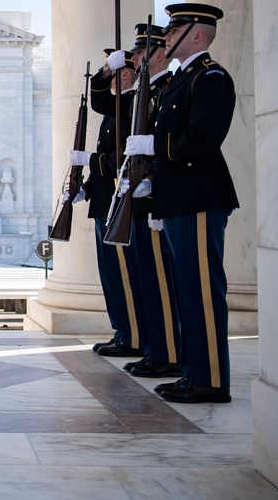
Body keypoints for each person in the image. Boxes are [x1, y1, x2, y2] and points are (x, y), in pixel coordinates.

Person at [125, 2, 239, 403]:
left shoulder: (210, 78)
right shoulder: (183, 79)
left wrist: (154, 145)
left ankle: (210, 380)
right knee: (187, 290)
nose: (167, 37)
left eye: (174, 31)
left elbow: (202, 141)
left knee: (203, 291)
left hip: (199, 197)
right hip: (177, 199)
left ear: (196, 34)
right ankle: (194, 372)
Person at [111, 24, 183, 380]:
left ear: (156, 55)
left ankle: (167, 353)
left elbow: (166, 144)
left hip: (155, 197)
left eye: (139, 54)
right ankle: (158, 350)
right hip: (140, 196)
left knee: (159, 281)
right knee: (146, 281)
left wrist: (153, 186)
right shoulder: (147, 92)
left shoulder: (167, 88)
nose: (134, 59)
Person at [65, 48, 142, 357]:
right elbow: (98, 97)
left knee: (123, 274)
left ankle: (132, 334)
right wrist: (85, 190)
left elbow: (121, 160)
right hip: (104, 203)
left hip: (119, 204)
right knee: (111, 276)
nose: (109, 79)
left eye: (114, 72)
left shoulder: (132, 107)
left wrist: (90, 160)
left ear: (126, 74)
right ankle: (123, 331)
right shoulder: (117, 109)